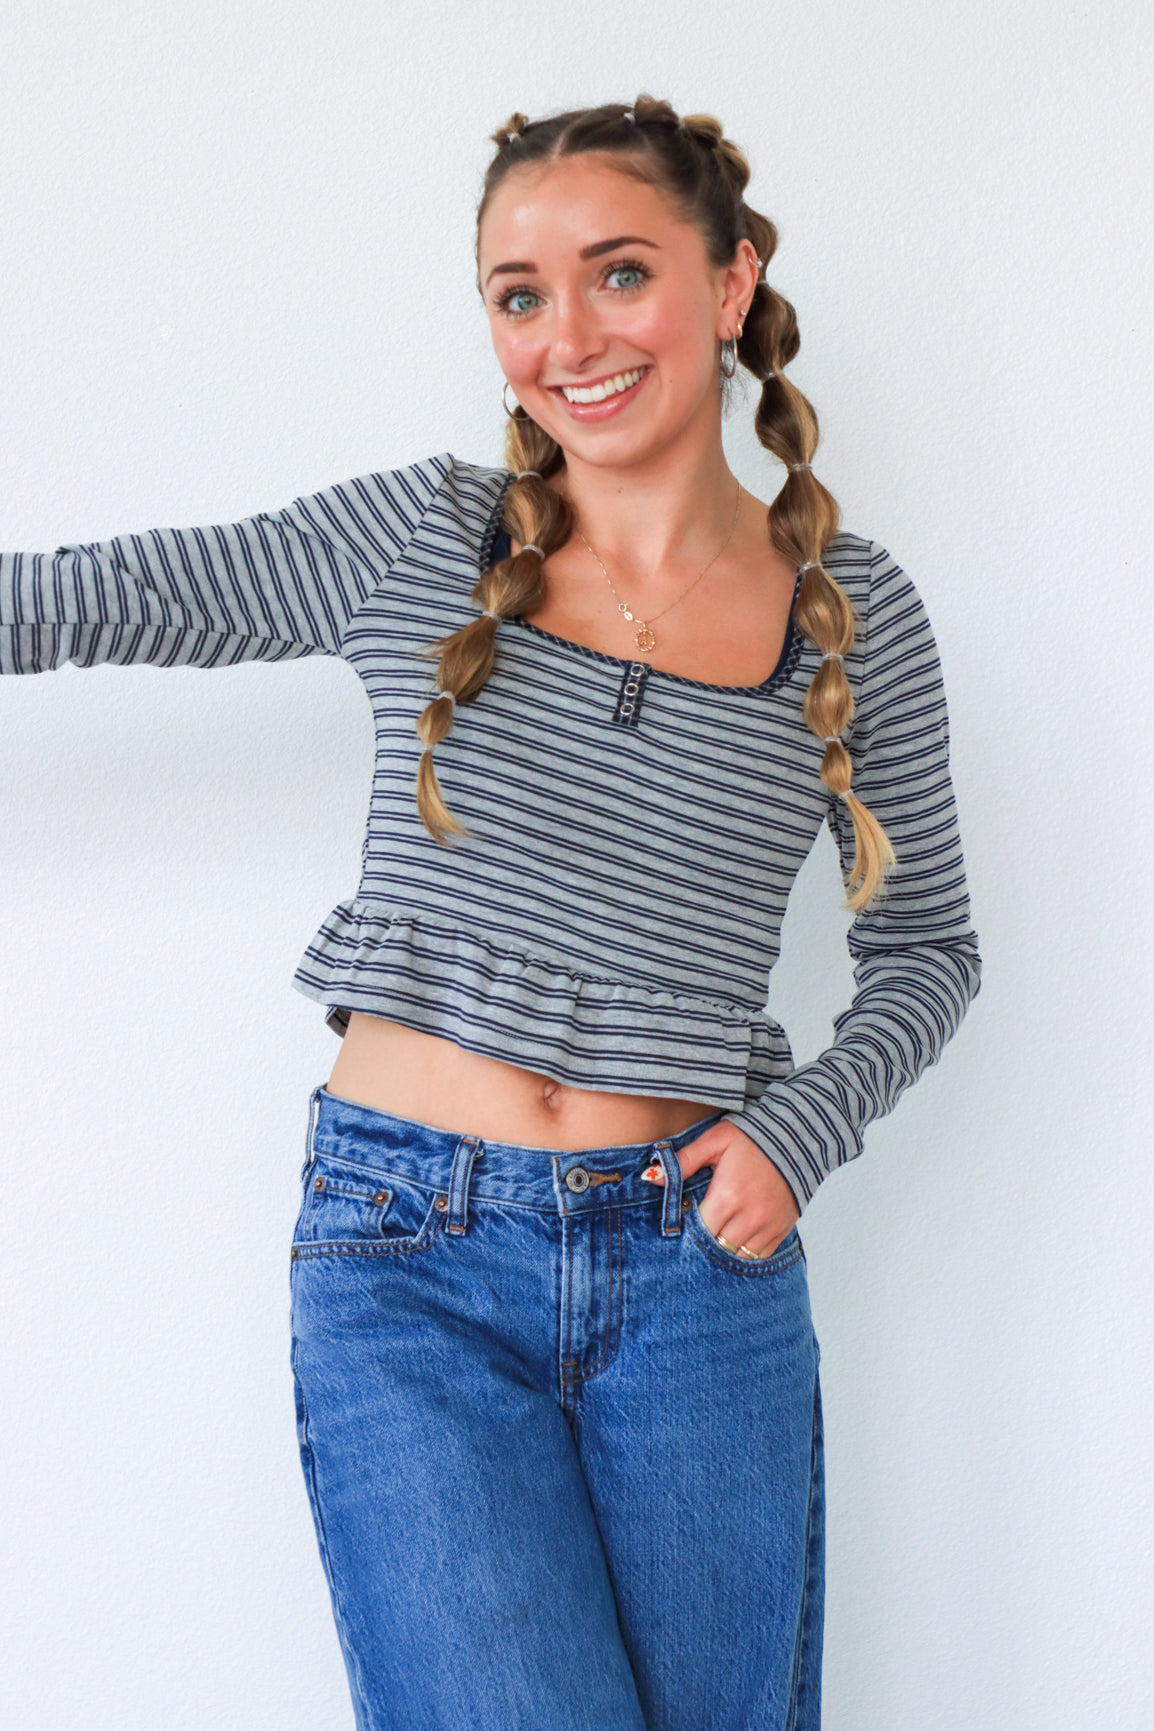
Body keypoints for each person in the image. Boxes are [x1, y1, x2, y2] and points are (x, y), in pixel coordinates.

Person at [0, 95, 982, 1731]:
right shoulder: (418, 537)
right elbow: (105, 594)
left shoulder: (850, 614)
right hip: (408, 1261)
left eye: (617, 275)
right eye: (519, 295)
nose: (567, 338)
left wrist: (800, 1130)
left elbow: (928, 949)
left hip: (695, 1271)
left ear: (728, 286)